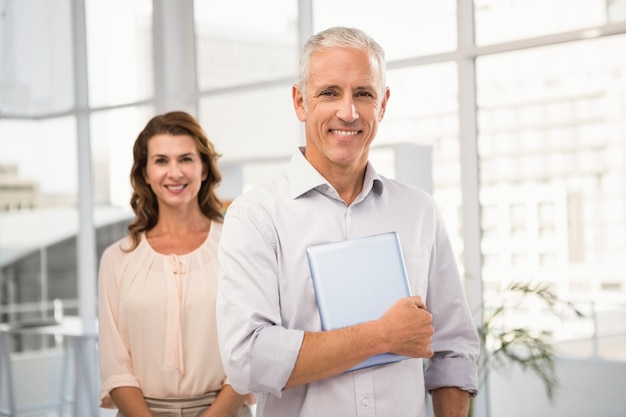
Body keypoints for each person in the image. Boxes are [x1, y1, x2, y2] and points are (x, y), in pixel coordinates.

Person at [215, 27, 480, 417]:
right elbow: (247, 360)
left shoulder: (420, 212)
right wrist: (382, 335)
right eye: (329, 93)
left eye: (364, 94)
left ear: (383, 104)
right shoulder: (256, 217)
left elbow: (454, 349)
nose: (348, 112)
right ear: (300, 101)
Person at [98, 111, 254, 417]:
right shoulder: (117, 259)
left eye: (186, 159)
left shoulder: (238, 247)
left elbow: (250, 348)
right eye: (161, 161)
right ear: (144, 173)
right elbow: (115, 366)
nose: (175, 172)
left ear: (204, 169)